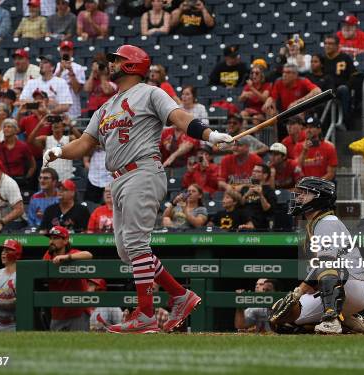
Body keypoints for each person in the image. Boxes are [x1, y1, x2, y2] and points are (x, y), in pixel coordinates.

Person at [43, 44, 233, 333]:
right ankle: (180, 295)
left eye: (117, 60)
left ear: (132, 65)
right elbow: (83, 143)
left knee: (135, 244)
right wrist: (58, 151)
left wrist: (209, 134)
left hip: (143, 169)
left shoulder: (150, 92)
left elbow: (179, 118)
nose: (111, 65)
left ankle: (145, 313)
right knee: (125, 251)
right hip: (118, 178)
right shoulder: (106, 106)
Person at [268, 177, 364, 335]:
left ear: (319, 198)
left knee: (326, 263)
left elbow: (327, 262)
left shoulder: (327, 222)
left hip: (355, 285)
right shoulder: (314, 224)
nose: (299, 197)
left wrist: (299, 291)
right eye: (299, 193)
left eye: (305, 193)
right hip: (342, 288)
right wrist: (302, 294)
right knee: (283, 319)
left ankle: (332, 320)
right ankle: (349, 322)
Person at [43, 225, 93, 331]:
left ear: (65, 241)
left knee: (81, 345)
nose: (51, 241)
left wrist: (66, 257)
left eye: (56, 238)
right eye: (50, 238)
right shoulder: (48, 256)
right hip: (58, 311)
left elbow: (88, 255)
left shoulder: (72, 253)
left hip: (78, 311)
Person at [262, 64, 321, 140]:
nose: (284, 75)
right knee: (270, 113)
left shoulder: (303, 81)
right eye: (283, 72)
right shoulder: (279, 82)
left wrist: (298, 102)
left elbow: (318, 91)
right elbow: (273, 98)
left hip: (302, 114)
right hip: (285, 113)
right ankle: (273, 143)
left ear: (295, 75)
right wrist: (270, 106)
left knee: (297, 113)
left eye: (288, 72)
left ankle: (300, 141)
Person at [27, 114, 81, 180]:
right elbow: (30, 140)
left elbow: (82, 141)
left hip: (65, 177)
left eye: (58, 121)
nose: (56, 123)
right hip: (47, 177)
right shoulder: (45, 139)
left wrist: (70, 125)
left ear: (63, 127)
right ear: (51, 127)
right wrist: (40, 125)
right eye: (54, 122)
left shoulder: (69, 139)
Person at [0, 118, 36, 188]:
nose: (6, 129)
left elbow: (32, 165)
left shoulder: (23, 146)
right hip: (2, 181)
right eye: (4, 127)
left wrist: (26, 178)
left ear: (15, 130)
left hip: (18, 182)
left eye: (9, 127)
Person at [322, 35, 356, 124]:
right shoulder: (322, 59)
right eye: (325, 43)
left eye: (330, 44)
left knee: (343, 89)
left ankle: (345, 120)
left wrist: (347, 85)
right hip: (325, 89)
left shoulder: (345, 58)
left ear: (337, 46)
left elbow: (354, 75)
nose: (327, 46)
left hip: (340, 89)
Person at [294, 116, 338, 181]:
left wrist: (315, 185)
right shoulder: (298, 146)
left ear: (319, 130)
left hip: (322, 186)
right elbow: (296, 169)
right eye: (306, 127)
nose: (308, 130)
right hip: (304, 187)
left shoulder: (329, 147)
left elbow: (331, 174)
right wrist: (304, 151)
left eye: (311, 127)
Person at [54, 40, 86, 119]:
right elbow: (51, 88)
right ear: (60, 52)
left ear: (72, 52)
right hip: (57, 109)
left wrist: (71, 71)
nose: (65, 52)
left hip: (73, 110)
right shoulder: (55, 66)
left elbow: (77, 90)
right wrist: (60, 71)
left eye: (68, 50)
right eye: (63, 50)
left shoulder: (79, 68)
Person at [239, 164, 277, 230]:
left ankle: (251, 226)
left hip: (260, 220)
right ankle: (248, 225)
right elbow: (240, 204)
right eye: (253, 171)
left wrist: (261, 195)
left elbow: (268, 209)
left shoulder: (269, 191)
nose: (254, 173)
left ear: (265, 175)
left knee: (257, 213)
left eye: (258, 171)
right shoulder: (245, 189)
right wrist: (246, 194)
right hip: (244, 218)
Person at [83, 53, 117, 118]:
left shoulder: (112, 80)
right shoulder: (93, 80)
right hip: (92, 110)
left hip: (106, 110)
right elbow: (87, 89)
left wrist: (102, 75)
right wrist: (92, 72)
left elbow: (107, 91)